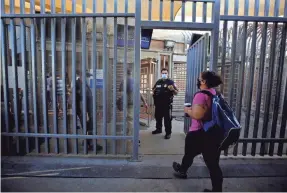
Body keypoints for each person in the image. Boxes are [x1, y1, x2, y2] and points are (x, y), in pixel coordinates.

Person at [172, 71, 224, 192]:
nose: (198, 79)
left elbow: (197, 114)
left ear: (204, 81)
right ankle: (217, 189)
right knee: (212, 163)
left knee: (191, 154)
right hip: (213, 132)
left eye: (199, 78)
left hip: (199, 132)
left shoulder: (201, 95)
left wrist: (187, 110)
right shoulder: (216, 93)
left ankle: (183, 171)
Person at [119, 68, 148, 153]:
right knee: (132, 120)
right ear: (131, 73)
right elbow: (139, 93)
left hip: (128, 103)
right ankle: (131, 135)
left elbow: (120, 93)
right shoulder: (134, 81)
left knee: (130, 120)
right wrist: (145, 102)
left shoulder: (124, 81)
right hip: (134, 103)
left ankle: (131, 137)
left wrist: (120, 103)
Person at [73, 70, 103, 151]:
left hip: (87, 110)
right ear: (81, 75)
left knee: (88, 126)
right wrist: (82, 111)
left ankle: (87, 142)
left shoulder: (84, 84)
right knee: (88, 126)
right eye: (87, 76)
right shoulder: (77, 84)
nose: (88, 77)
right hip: (84, 110)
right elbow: (76, 99)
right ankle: (90, 144)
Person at [152, 68, 178, 139]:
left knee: (167, 119)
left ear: (168, 73)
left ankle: (168, 133)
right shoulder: (158, 82)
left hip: (167, 104)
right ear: (161, 74)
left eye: (165, 73)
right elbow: (153, 89)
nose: (164, 74)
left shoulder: (171, 82)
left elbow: (176, 92)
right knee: (158, 118)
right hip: (158, 104)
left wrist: (172, 89)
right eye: (163, 73)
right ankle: (158, 129)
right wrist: (153, 92)